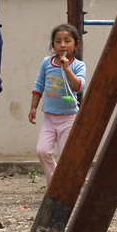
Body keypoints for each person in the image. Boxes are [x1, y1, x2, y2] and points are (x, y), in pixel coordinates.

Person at [30, 24, 87, 186]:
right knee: (43, 151)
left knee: (65, 156)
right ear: (52, 45)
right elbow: (39, 85)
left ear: (76, 45)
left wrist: (67, 69)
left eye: (67, 41)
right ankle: (55, 181)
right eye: (58, 41)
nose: (62, 45)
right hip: (49, 116)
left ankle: (64, 186)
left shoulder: (78, 65)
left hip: (68, 118)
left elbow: (79, 86)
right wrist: (33, 107)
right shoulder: (46, 63)